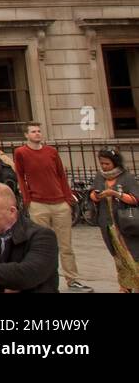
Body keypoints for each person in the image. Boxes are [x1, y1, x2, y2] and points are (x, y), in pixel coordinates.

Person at [14, 122, 90, 292]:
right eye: (33, 131)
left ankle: (73, 279)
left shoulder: (51, 152)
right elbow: (20, 175)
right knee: (42, 245)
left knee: (66, 245)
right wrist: (28, 200)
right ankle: (45, 279)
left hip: (59, 203)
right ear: (26, 135)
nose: (37, 134)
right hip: (38, 203)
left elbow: (61, 174)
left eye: (39, 131)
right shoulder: (21, 152)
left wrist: (67, 197)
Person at [88, 148, 139, 293]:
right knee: (118, 256)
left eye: (107, 163)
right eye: (102, 163)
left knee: (132, 254)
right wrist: (96, 196)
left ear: (114, 163)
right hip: (108, 223)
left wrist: (115, 193)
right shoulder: (100, 177)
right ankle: (125, 286)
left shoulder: (127, 177)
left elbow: (135, 199)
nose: (104, 166)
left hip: (126, 223)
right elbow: (92, 194)